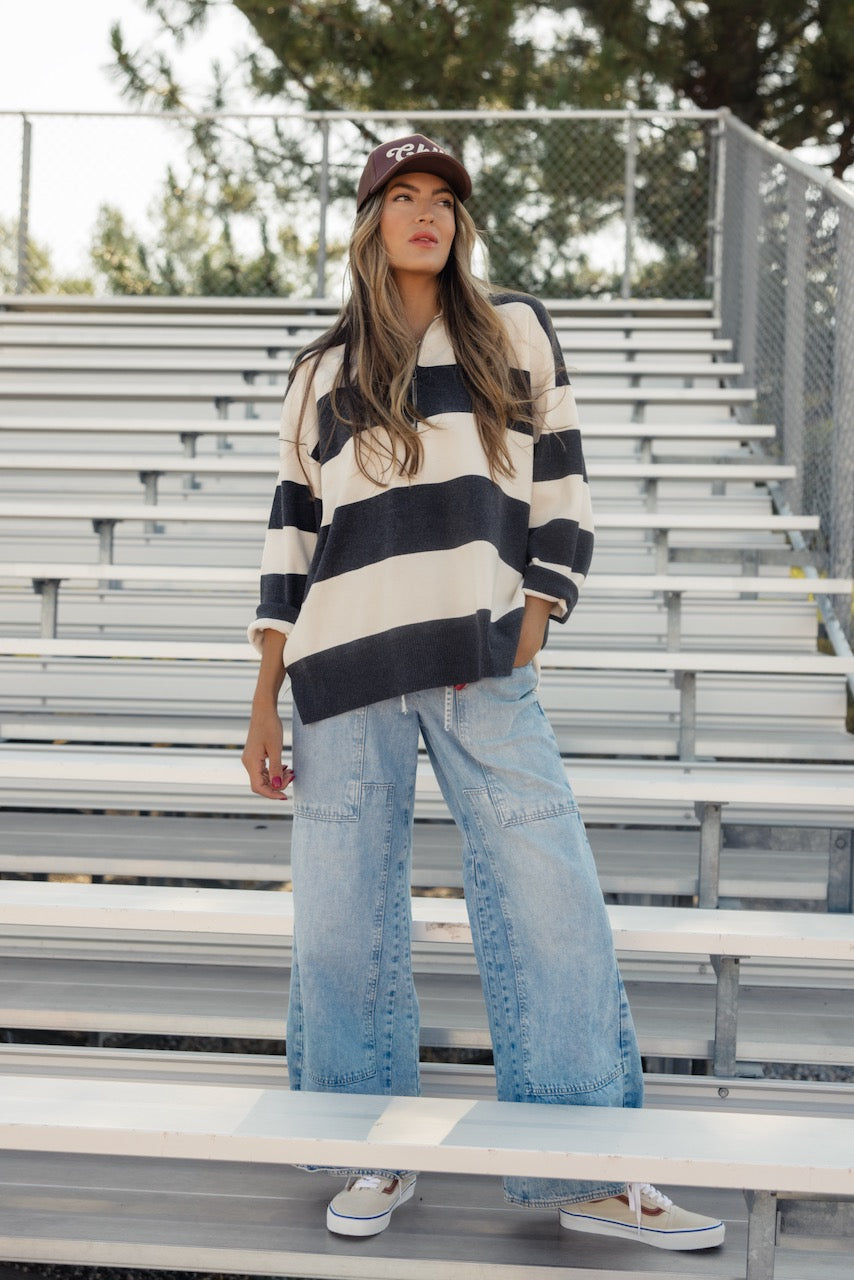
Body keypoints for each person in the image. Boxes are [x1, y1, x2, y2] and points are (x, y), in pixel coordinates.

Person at [242, 133, 725, 1253]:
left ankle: (590, 1164)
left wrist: (537, 613)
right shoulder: (321, 371)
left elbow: (561, 478)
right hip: (341, 668)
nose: (425, 215)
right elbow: (288, 537)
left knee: (551, 902)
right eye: (401, 198)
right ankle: (368, 1137)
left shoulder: (511, 328)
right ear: (371, 224)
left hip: (478, 662)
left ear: (460, 221)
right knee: (340, 924)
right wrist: (265, 692)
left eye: (442, 200)